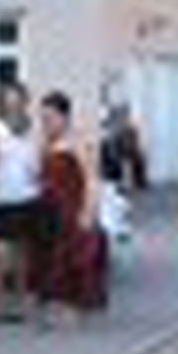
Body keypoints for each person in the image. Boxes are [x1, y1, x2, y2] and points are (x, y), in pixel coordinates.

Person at [39, 91, 108, 323]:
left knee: (73, 258)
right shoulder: (48, 143)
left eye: (50, 118)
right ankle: (58, 308)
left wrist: (88, 211)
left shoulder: (78, 142)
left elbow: (91, 178)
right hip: (51, 210)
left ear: (64, 117)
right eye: (43, 118)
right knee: (53, 259)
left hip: (72, 208)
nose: (46, 123)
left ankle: (74, 310)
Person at [0, 82, 43, 320]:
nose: (13, 105)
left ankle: (19, 302)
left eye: (18, 100)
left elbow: (37, 163)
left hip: (27, 196)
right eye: (8, 100)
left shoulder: (33, 130)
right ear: (2, 103)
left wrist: (37, 178)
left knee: (22, 252)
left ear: (25, 102)